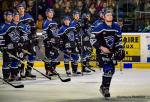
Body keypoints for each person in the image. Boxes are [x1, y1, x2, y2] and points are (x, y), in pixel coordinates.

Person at [91, 8, 125, 98]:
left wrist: (120, 48)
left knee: (111, 71)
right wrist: (101, 47)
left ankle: (104, 87)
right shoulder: (99, 27)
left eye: (111, 15)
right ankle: (105, 89)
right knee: (108, 69)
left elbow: (119, 39)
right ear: (104, 17)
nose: (110, 16)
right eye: (108, 15)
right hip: (102, 52)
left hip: (112, 52)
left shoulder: (116, 26)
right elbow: (92, 39)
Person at [17, 3, 37, 79]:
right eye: (19, 9)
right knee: (22, 56)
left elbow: (33, 28)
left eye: (22, 8)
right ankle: (21, 71)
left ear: (24, 9)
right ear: (17, 10)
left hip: (29, 40)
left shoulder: (29, 16)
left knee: (32, 55)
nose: (21, 10)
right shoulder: (16, 18)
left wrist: (34, 37)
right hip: (22, 41)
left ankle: (28, 72)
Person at [42, 8, 60, 76]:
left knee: (55, 57)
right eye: (50, 12)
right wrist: (47, 41)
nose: (51, 13)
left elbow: (56, 32)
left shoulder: (55, 22)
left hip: (55, 43)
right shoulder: (46, 22)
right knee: (48, 57)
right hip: (49, 43)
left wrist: (58, 40)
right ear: (47, 14)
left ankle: (53, 70)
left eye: (52, 12)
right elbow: (44, 33)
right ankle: (48, 71)